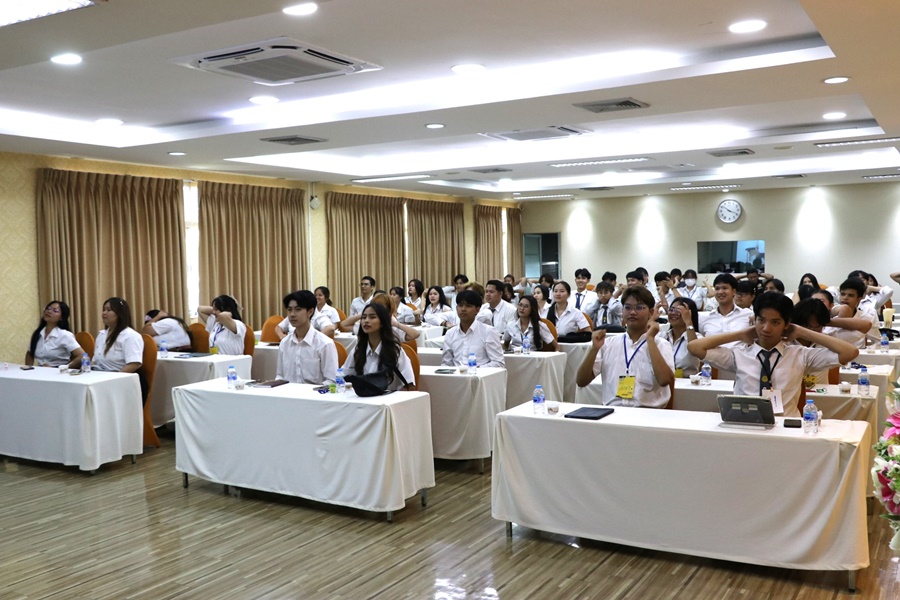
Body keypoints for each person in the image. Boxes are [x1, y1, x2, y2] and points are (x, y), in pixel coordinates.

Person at [688, 292, 858, 417]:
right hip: (746, 425)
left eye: (775, 322)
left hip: (787, 428)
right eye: (761, 320)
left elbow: (850, 352)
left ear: (786, 324)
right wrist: (739, 334)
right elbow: (695, 347)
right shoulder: (739, 355)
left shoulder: (800, 355)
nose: (766, 328)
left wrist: (802, 331)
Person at [575, 286, 674, 408]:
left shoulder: (661, 344)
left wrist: (650, 339)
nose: (632, 312)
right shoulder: (608, 344)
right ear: (622, 311)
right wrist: (594, 350)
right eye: (627, 307)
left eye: (639, 307)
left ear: (651, 312)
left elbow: (664, 380)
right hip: (613, 411)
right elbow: (581, 381)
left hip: (648, 412)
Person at [791, 297, 873, 381]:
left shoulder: (829, 339)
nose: (812, 330)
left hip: (822, 389)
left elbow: (866, 326)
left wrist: (826, 321)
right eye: (807, 326)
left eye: (818, 326)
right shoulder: (787, 343)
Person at [342, 302, 416, 391]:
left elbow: (409, 385)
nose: (366, 321)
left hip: (389, 397)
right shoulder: (358, 349)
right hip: (364, 396)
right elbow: (344, 375)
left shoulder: (394, 350)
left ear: (382, 322)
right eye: (364, 317)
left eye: (372, 317)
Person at [275, 290, 338, 385]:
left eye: (298, 309)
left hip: (316, 393)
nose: (292, 314)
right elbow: (280, 376)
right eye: (289, 309)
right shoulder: (285, 343)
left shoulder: (325, 344)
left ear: (310, 312)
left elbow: (331, 380)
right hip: (288, 392)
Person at [442, 290, 504, 368]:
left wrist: (475, 369)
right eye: (460, 305)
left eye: (468, 306)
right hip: (456, 374)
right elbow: (446, 363)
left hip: (480, 374)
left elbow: (499, 363)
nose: (463, 309)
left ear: (477, 309)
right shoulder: (450, 333)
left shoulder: (488, 332)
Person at [82, 297, 143, 374]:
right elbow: (95, 361)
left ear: (120, 313)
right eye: (104, 310)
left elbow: (134, 364)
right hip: (99, 374)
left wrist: (115, 378)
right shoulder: (101, 335)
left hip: (118, 376)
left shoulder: (130, 336)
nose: (104, 313)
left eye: (108, 310)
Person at [698, 274, 753, 346]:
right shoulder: (704, 318)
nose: (720, 292)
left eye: (724, 288)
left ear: (734, 291)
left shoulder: (748, 315)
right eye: (717, 289)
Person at [25, 300, 84, 367]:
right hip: (40, 371)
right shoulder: (38, 334)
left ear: (61, 317)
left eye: (55, 310)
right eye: (48, 308)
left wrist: (64, 368)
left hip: (58, 371)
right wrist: (29, 368)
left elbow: (82, 356)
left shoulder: (65, 335)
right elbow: (29, 353)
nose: (49, 311)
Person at [660, 297, 700, 377]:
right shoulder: (662, 335)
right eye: (671, 310)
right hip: (664, 381)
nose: (673, 313)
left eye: (678, 311)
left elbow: (695, 350)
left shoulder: (697, 337)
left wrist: (688, 322)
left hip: (687, 382)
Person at [838, 277, 880, 346]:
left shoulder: (867, 318)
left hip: (858, 351)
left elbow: (878, 342)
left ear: (859, 298)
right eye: (842, 294)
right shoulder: (830, 315)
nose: (845, 298)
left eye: (850, 295)